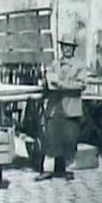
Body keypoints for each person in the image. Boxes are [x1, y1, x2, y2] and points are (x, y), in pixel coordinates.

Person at [36, 38, 89, 182]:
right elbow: (49, 79)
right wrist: (46, 80)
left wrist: (63, 85)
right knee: (51, 138)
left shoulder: (79, 65)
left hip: (71, 108)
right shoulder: (55, 64)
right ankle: (47, 170)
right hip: (54, 107)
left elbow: (82, 84)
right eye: (64, 46)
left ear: (73, 49)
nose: (67, 49)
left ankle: (67, 169)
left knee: (69, 138)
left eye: (69, 47)